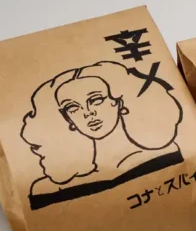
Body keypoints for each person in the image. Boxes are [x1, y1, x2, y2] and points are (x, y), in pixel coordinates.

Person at [21, 61, 183, 208]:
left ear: (118, 102)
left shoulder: (164, 153)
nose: (88, 113)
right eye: (72, 107)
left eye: (96, 100)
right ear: (67, 119)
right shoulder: (47, 188)